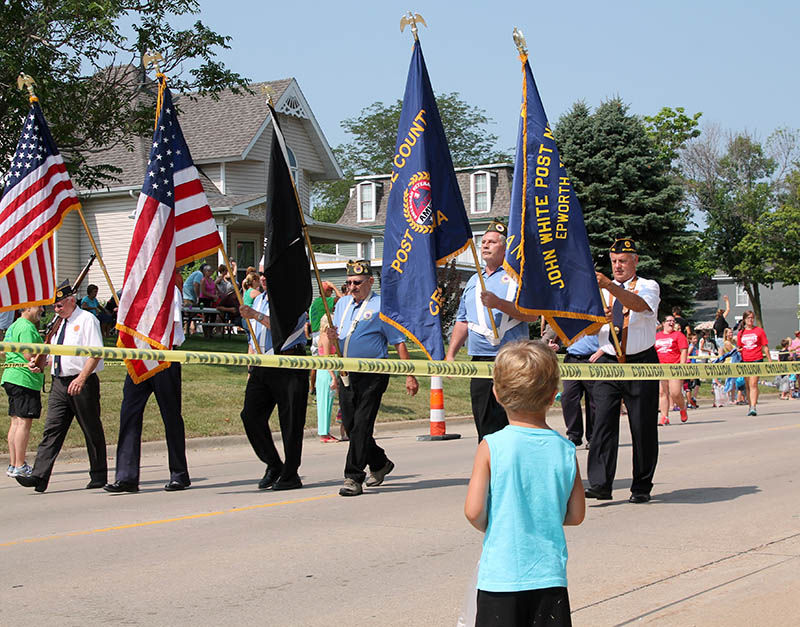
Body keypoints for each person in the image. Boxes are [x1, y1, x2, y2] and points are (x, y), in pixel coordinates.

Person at [465, 340, 585, 627]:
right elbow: (576, 515)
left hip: (501, 577)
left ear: (496, 393)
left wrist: (499, 522)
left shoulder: (491, 446)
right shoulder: (565, 449)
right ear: (553, 395)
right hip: (549, 577)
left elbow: (474, 511)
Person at [325, 259, 419, 497]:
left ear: (369, 282)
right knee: (351, 425)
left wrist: (410, 375)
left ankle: (353, 477)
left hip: (373, 375)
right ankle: (379, 463)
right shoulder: (342, 304)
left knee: (362, 425)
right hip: (347, 372)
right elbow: (339, 336)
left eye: (357, 282)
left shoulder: (381, 306)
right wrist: (332, 335)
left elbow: (398, 342)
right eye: (348, 283)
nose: (352, 287)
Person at [585, 239, 660, 504]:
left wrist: (609, 286)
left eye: (623, 261)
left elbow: (640, 306)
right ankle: (600, 484)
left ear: (635, 261)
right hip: (608, 361)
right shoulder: (599, 290)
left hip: (640, 361)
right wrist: (598, 321)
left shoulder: (648, 285)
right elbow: (588, 329)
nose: (618, 266)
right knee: (602, 423)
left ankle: (641, 486)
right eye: (614, 261)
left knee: (642, 426)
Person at [16, 281, 107, 493]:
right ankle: (39, 476)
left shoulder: (87, 320)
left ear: (72, 301)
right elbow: (56, 352)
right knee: (52, 430)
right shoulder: (58, 323)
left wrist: (81, 379)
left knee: (91, 428)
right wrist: (41, 363)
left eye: (59, 305)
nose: (56, 309)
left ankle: (99, 474)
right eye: (54, 306)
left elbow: (96, 353)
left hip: (82, 381)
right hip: (59, 382)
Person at [445, 220, 528, 441]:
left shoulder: (516, 277)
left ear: (505, 248)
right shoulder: (474, 281)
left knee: (512, 422)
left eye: (492, 242)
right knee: (484, 423)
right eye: (483, 242)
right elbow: (462, 321)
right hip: (480, 361)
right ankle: (488, 460)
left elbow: (531, 315)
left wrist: (499, 303)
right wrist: (451, 354)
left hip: (511, 360)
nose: (485, 246)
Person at [105, 284, 191, 493]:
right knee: (129, 414)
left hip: (164, 356)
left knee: (171, 416)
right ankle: (126, 477)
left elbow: (168, 323)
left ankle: (179, 474)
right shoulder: (135, 287)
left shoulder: (169, 288)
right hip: (139, 356)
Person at [238, 289, 310, 491]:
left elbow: (283, 330)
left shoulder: (292, 299)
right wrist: (251, 361)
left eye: (267, 275)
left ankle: (291, 474)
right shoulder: (259, 299)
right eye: (261, 275)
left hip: (288, 362)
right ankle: (274, 463)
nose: (264, 279)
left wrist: (255, 315)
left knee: (291, 421)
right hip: (262, 364)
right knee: (250, 416)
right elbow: (253, 335)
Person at [3, 306, 44, 478]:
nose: (42, 309)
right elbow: (30, 355)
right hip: (24, 379)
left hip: (11, 377)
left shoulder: (14, 325)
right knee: (23, 423)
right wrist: (43, 358)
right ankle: (19, 464)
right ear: (27, 307)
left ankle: (14, 464)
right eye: (39, 306)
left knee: (16, 422)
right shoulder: (27, 327)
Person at [561, 333, 601, 448]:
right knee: (568, 397)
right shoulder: (573, 321)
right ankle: (574, 435)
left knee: (593, 401)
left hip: (592, 358)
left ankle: (593, 437)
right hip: (572, 358)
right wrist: (556, 344)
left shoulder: (599, 321)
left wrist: (601, 351)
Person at [655, 315, 689, 425]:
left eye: (673, 321)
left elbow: (683, 351)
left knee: (675, 393)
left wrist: (682, 366)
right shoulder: (657, 336)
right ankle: (664, 417)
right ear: (663, 323)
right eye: (669, 321)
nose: (671, 323)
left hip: (675, 367)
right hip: (661, 368)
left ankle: (682, 408)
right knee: (662, 392)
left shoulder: (678, 335)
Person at [737, 310, 771, 416]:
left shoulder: (759, 331)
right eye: (748, 318)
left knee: (753, 383)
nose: (750, 320)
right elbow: (739, 347)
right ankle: (750, 405)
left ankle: (753, 407)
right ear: (744, 319)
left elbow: (765, 346)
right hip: (745, 360)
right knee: (747, 385)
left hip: (757, 359)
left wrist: (770, 360)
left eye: (752, 318)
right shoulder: (741, 333)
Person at [316, 316, 338, 443]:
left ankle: (326, 431)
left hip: (328, 371)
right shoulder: (325, 338)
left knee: (328, 403)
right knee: (325, 402)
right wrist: (333, 377)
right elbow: (327, 359)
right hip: (326, 372)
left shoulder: (329, 337)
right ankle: (324, 433)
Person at [198, 263, 217, 338]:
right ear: (204, 272)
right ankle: (205, 333)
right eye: (208, 271)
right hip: (204, 300)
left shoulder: (212, 280)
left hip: (211, 300)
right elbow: (203, 292)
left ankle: (210, 331)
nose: (210, 272)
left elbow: (214, 289)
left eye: (211, 271)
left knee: (213, 315)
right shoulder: (203, 280)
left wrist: (216, 295)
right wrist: (212, 296)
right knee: (205, 316)